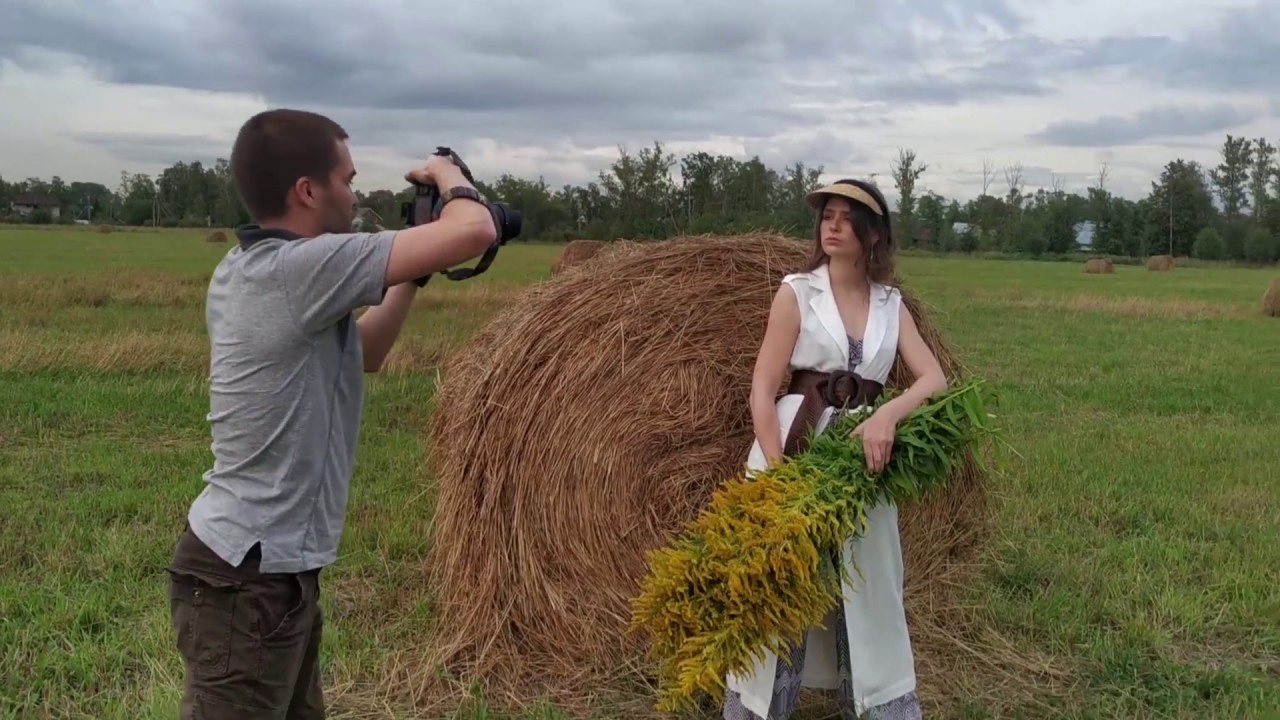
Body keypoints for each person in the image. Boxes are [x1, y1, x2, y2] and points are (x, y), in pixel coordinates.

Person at [165, 108, 500, 719]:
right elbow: (475, 231)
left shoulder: (258, 268)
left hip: (268, 574)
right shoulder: (299, 270)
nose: (354, 193)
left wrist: (411, 276)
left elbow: (366, 353)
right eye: (347, 179)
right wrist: (451, 177)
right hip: (248, 579)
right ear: (308, 191)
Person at [723, 179, 948, 720]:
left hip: (861, 466)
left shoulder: (892, 306)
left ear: (873, 235)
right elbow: (763, 387)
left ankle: (878, 706)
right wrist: (777, 476)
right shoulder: (798, 292)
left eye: (847, 218)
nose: (832, 224)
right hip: (795, 450)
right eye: (828, 215)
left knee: (866, 589)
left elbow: (933, 379)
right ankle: (758, 710)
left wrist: (888, 414)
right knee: (779, 589)